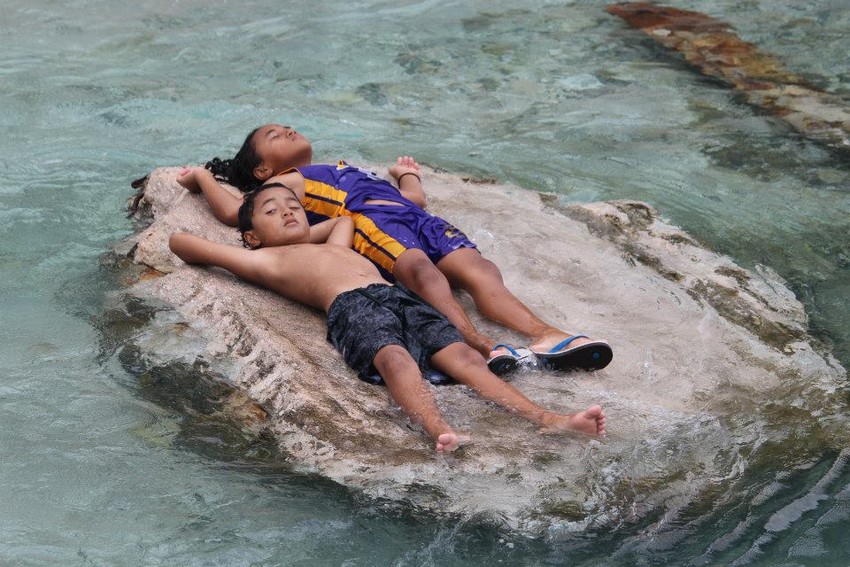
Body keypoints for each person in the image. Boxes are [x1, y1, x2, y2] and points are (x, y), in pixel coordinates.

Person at [167, 183, 607, 452]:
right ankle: (439, 429)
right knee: (395, 360)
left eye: (293, 205)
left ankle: (549, 420)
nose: (288, 211)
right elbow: (181, 242)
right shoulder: (266, 261)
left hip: (396, 297)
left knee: (464, 358)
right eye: (272, 211)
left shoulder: (333, 244)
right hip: (351, 307)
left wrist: (297, 226)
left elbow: (346, 218)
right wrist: (252, 240)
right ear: (251, 236)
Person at [177, 124, 613, 375]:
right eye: (273, 134)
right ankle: (480, 342)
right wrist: (202, 178)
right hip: (374, 223)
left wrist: (406, 177)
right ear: (263, 169)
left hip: (415, 217)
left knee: (482, 270)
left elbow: (414, 202)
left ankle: (546, 335)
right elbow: (237, 214)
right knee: (423, 273)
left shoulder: (342, 167)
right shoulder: (287, 181)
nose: (286, 128)